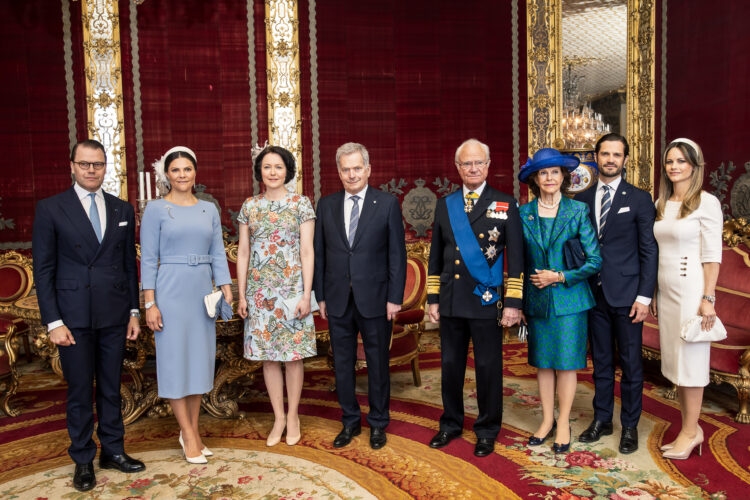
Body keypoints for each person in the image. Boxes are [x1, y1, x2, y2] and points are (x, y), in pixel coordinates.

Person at [32, 139, 145, 492]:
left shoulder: (121, 209)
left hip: (114, 314)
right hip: (72, 318)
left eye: (97, 164)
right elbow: (43, 269)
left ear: (106, 166)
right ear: (72, 166)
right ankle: (83, 459)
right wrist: (53, 322)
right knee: (80, 391)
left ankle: (113, 450)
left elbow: (129, 266)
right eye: (85, 164)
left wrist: (133, 312)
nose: (91, 170)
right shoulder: (51, 208)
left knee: (111, 389)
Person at [426, 138, 524, 457]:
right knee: (451, 365)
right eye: (466, 163)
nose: (472, 168)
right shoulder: (446, 204)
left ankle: (487, 429)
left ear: (488, 165)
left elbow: (518, 259)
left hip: (486, 300)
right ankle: (451, 424)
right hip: (453, 300)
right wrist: (432, 298)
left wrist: (513, 303)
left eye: (478, 162)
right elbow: (436, 257)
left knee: (487, 367)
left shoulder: (505, 203)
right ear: (457, 168)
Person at [140, 146, 232, 464]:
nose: (182, 175)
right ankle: (189, 435)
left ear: (196, 173)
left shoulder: (209, 210)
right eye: (175, 170)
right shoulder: (155, 209)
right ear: (167, 174)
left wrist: (226, 289)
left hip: (201, 294)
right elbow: (149, 259)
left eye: (187, 169)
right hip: (170, 291)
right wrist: (150, 303)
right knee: (175, 363)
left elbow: (218, 252)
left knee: (197, 363)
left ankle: (190, 431)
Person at [313, 142, 406, 450]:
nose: (351, 174)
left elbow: (397, 255)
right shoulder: (325, 205)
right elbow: (319, 254)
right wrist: (320, 296)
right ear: (338, 171)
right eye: (345, 169)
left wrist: (395, 297)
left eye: (356, 168)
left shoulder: (388, 203)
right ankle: (350, 421)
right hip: (337, 298)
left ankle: (378, 423)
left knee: (378, 363)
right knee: (342, 364)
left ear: (368, 169)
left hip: (377, 298)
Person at [574, 133, 658, 454]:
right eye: (605, 154)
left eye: (617, 155)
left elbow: (648, 251)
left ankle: (630, 427)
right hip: (593, 296)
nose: (610, 159)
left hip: (628, 297)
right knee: (602, 364)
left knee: (632, 365)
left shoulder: (639, 198)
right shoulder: (581, 199)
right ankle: (602, 420)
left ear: (625, 160)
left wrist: (644, 297)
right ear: (595, 157)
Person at [518, 148, 602, 454]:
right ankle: (546, 421)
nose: (550, 177)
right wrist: (521, 301)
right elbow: (519, 263)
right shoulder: (522, 214)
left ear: (563, 176)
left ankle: (563, 422)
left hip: (570, 303)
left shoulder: (577, 211)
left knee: (566, 365)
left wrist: (560, 276)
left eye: (555, 172)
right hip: (537, 302)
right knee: (542, 363)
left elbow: (594, 261)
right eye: (543, 172)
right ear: (535, 179)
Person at [236, 145, 316, 447]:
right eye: (267, 167)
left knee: (293, 358)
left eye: (278, 167)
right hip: (260, 294)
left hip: (293, 291)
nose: (272, 172)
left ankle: (293, 415)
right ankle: (278, 417)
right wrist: (242, 295)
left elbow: (307, 251)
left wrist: (307, 295)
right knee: (269, 359)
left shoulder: (301, 204)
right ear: (260, 171)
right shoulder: (250, 206)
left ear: (288, 171)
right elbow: (243, 252)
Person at [650, 138, 722, 460]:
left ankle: (691, 432)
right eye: (670, 162)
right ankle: (690, 427)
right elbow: (655, 252)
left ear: (694, 165)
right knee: (677, 366)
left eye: (681, 161)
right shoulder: (661, 204)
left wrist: (708, 297)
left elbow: (712, 256)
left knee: (691, 366)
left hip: (693, 291)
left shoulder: (706, 203)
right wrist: (652, 291)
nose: (674, 166)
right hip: (666, 291)